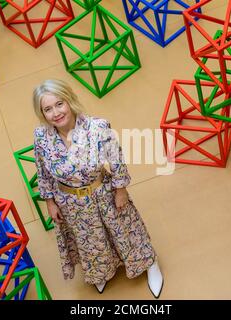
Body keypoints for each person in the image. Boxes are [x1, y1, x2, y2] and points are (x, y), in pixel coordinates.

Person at [32, 79, 164, 298]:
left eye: (59, 104)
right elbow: (42, 170)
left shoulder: (98, 127)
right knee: (91, 241)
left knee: (125, 231)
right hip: (70, 202)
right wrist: (49, 201)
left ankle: (150, 264)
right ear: (41, 113)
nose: (55, 113)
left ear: (69, 100)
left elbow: (116, 160)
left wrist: (120, 190)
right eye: (47, 109)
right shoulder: (41, 138)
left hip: (102, 193)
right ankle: (102, 271)